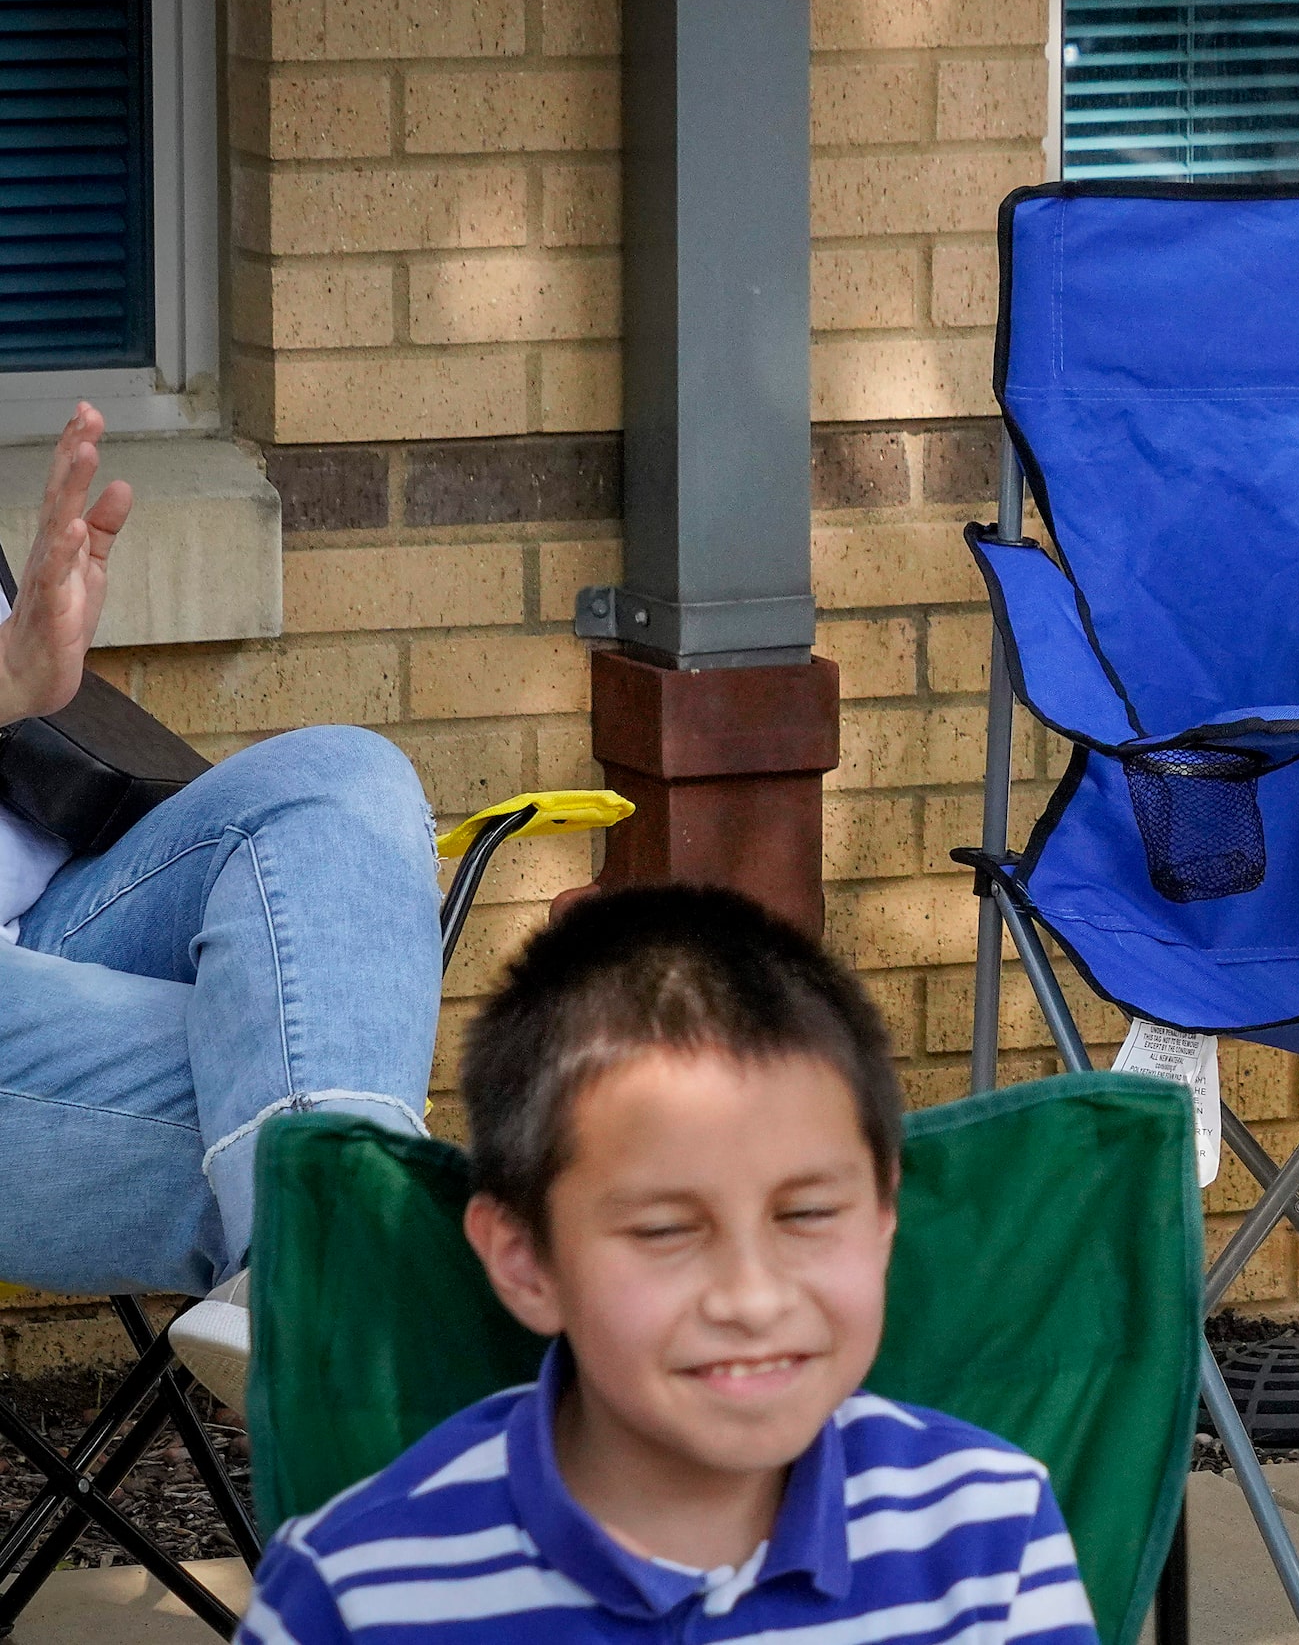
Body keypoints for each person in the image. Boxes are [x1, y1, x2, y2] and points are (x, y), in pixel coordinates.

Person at [237, 885, 1101, 1645]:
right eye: (663, 1231)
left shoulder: (987, 1538)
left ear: (883, 1219)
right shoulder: (361, 1594)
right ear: (526, 1261)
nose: (752, 1297)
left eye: (806, 1215)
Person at [0, 403, 439, 1343]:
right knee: (323, 1090)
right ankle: (348, 1314)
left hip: (50, 913)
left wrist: (25, 680)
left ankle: (323, 1285)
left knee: (340, 777)